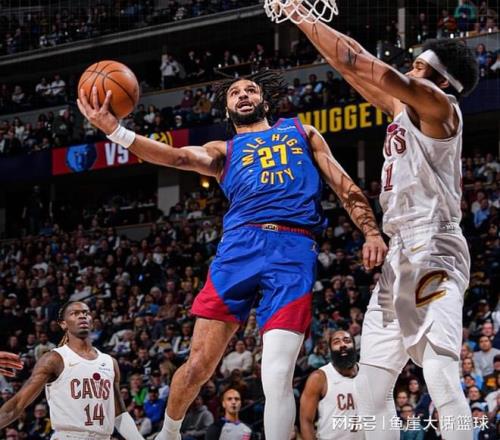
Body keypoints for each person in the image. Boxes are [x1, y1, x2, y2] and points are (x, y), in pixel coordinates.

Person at [77, 69, 387, 440]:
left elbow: (344, 185)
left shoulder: (302, 132)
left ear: (264, 101)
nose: (242, 94)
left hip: (292, 250)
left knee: (277, 374)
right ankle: (169, 433)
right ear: (227, 109)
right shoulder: (222, 151)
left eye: (250, 90)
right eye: (234, 92)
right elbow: (176, 157)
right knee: (198, 365)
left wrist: (371, 231)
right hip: (240, 248)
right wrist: (115, 130)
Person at [274, 4, 479, 440]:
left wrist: (299, 12)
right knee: (370, 386)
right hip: (400, 252)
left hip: (433, 246)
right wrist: (307, 27)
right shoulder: (406, 110)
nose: (410, 70)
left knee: (440, 371)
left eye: (419, 67)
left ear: (442, 81)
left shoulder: (440, 106)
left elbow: (360, 59)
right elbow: (348, 67)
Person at [0, 301, 145, 439]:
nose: (82, 316)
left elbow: (119, 415)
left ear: (91, 321)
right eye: (74, 313)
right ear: (63, 324)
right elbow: (17, 404)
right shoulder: (55, 359)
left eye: (85, 313)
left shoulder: (109, 362)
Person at [300, 330, 361, 440]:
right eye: (336, 342)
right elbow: (306, 420)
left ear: (354, 345)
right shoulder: (319, 377)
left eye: (347, 340)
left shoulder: (367, 373)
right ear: (330, 350)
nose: (342, 345)